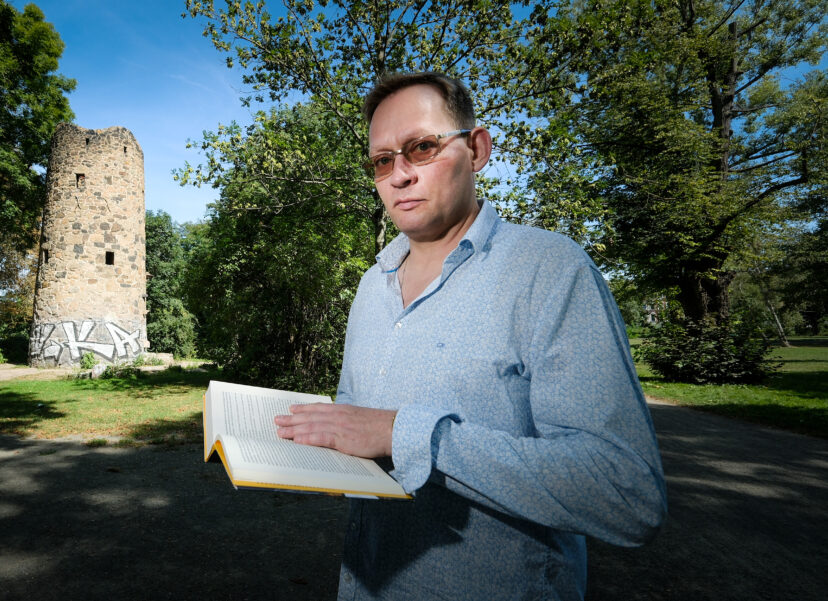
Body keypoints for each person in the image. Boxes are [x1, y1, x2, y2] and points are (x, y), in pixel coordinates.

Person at [274, 72, 667, 600]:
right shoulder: (371, 284)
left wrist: (405, 436)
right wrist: (307, 445)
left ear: (477, 149)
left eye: (422, 147)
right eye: (383, 160)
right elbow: (356, 420)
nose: (400, 175)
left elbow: (625, 493)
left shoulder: (550, 270)